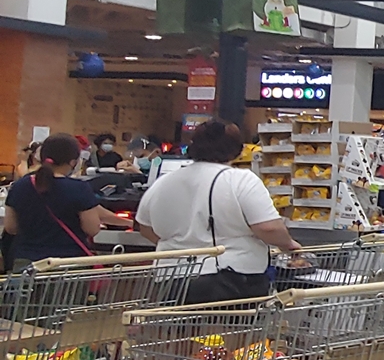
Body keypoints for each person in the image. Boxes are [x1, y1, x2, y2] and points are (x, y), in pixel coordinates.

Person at [136, 119, 302, 302]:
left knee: (181, 320)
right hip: (228, 279)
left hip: (171, 278)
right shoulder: (240, 180)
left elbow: (145, 227)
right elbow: (268, 228)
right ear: (237, 149)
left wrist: (182, 244)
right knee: (230, 321)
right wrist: (288, 245)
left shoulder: (163, 182)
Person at [3, 133, 105, 270]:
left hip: (27, 262)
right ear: (73, 162)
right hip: (69, 263)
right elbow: (92, 229)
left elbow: (11, 227)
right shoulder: (79, 188)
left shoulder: (19, 186)